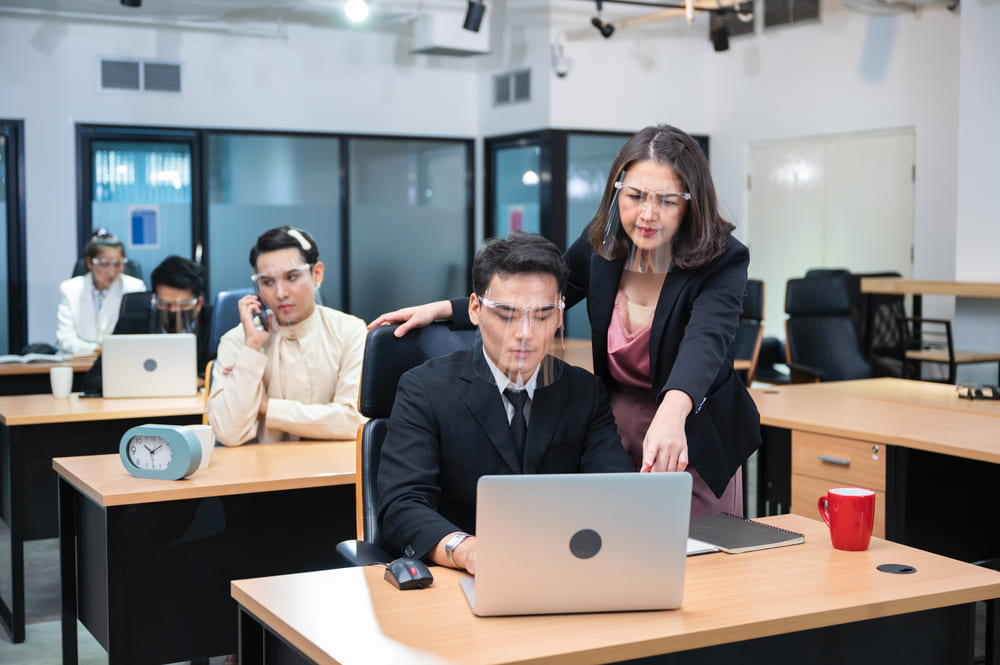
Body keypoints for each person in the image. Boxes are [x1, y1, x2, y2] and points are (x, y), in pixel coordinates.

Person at [371, 124, 760, 517]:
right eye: (635, 196)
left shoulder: (722, 259)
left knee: (693, 557)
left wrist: (673, 413)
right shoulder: (602, 247)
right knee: (616, 537)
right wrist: (448, 309)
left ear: (692, 203)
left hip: (688, 424)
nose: (647, 214)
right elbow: (542, 289)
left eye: (667, 201)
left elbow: (705, 342)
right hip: (613, 427)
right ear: (615, 192)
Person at [376, 233, 633, 574]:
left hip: (563, 571)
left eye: (542, 316)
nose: (525, 333)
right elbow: (402, 504)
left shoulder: (583, 392)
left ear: (559, 317)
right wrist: (465, 550)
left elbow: (617, 494)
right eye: (507, 315)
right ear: (475, 310)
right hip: (461, 580)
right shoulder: (425, 388)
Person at [206, 226, 366, 446]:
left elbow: (353, 421)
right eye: (268, 282)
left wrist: (266, 406)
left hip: (332, 471)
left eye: (292, 277)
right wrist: (251, 348)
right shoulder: (237, 340)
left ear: (317, 274)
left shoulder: (350, 331)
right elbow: (227, 434)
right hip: (260, 473)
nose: (280, 293)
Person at [80, 255, 213, 395]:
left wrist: (202, 380)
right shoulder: (133, 322)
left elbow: (230, 375)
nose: (174, 311)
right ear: (152, 300)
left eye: (183, 305)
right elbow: (92, 380)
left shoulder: (214, 323)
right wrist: (143, 383)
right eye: (165, 304)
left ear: (198, 304)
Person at [56, 229, 146, 355]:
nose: (112, 272)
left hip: (119, 358)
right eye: (104, 264)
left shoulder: (134, 288)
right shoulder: (70, 289)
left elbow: (136, 336)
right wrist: (95, 349)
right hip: (78, 360)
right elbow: (65, 338)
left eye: (117, 264)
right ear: (89, 263)